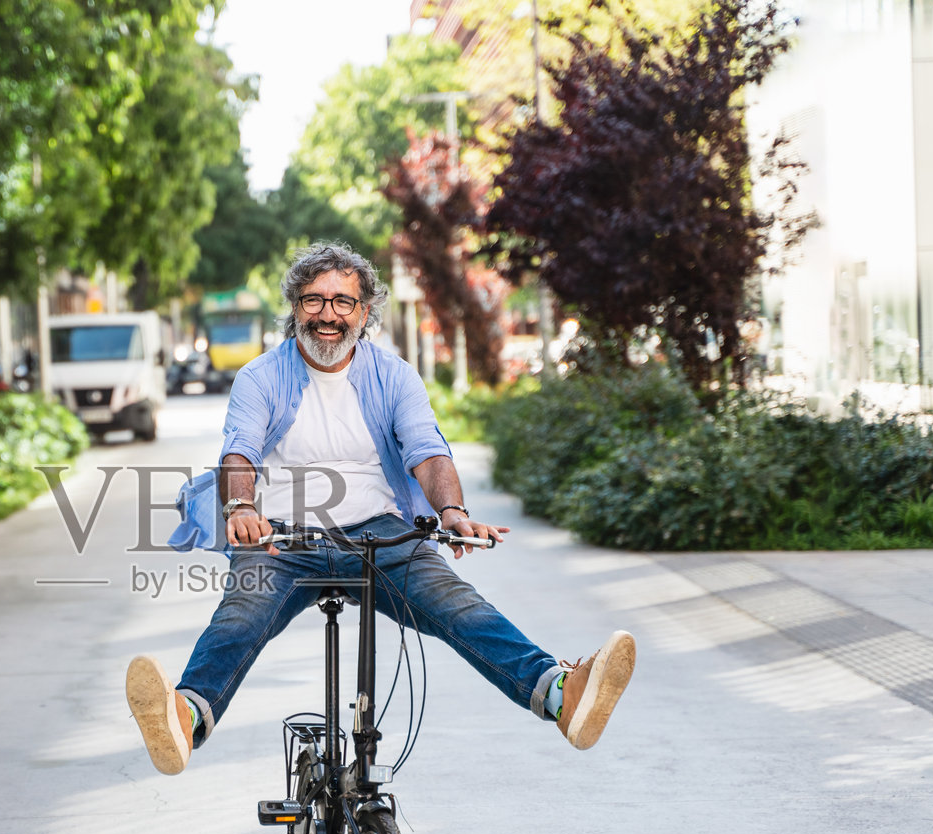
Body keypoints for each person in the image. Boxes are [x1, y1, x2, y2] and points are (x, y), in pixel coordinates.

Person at [126, 244, 637, 775]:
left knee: (458, 605)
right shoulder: (260, 376)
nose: (328, 315)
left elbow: (427, 450)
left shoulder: (394, 376)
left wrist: (453, 512)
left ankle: (560, 694)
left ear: (365, 312)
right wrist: (239, 505)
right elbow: (240, 450)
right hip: (281, 540)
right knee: (238, 619)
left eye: (343, 302)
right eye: (314, 300)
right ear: (295, 307)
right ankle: (185, 719)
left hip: (377, 536)